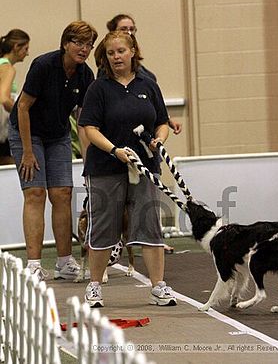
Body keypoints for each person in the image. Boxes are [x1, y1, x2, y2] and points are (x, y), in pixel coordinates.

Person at [79, 30, 177, 307]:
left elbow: (161, 121)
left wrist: (159, 139)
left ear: (133, 51)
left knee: (150, 224)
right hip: (106, 167)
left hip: (145, 167)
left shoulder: (148, 85)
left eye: (121, 51)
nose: (116, 57)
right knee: (103, 226)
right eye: (110, 53)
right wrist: (114, 150)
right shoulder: (99, 88)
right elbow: (89, 128)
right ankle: (95, 285)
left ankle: (158, 285)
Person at [8, 20, 98, 281]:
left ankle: (64, 261)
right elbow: (23, 107)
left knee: (62, 193)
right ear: (66, 44)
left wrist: (88, 158)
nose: (84, 49)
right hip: (26, 132)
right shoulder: (44, 65)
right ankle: (34, 264)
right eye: (78, 43)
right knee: (35, 193)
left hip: (57, 134)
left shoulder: (85, 74)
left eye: (89, 45)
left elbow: (83, 120)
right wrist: (27, 151)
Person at [104, 13, 182, 135]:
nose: (128, 32)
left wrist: (166, 119)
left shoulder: (145, 75)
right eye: (123, 29)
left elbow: (151, 102)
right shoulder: (107, 72)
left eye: (131, 29)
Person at [0, 29, 30, 165]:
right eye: (26, 48)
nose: (27, 53)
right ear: (16, 47)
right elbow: (4, 99)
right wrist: (21, 112)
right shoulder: (7, 68)